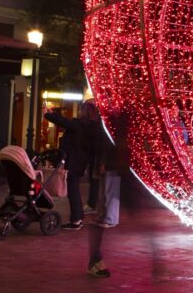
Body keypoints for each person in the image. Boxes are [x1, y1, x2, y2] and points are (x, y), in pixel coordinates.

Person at [87, 108, 131, 278]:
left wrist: (103, 162)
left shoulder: (108, 129)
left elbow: (105, 146)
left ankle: (110, 218)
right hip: (116, 164)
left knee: (110, 191)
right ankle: (110, 217)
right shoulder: (116, 130)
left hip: (113, 164)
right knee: (110, 191)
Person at [45, 100, 101, 230]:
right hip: (81, 162)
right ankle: (78, 217)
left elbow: (64, 122)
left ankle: (76, 220)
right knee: (73, 188)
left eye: (81, 109)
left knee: (72, 190)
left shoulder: (79, 125)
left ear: (85, 112)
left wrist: (48, 114)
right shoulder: (93, 127)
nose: (79, 111)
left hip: (72, 161)